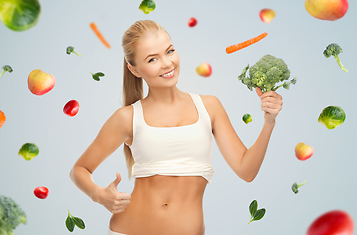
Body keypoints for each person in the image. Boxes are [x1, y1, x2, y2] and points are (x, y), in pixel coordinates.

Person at [69, 20, 283, 235]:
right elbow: (80, 170)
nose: (166, 63)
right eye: (152, 59)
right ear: (134, 69)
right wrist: (99, 194)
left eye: (169, 51)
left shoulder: (210, 107)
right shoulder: (127, 117)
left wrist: (268, 122)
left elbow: (246, 171)